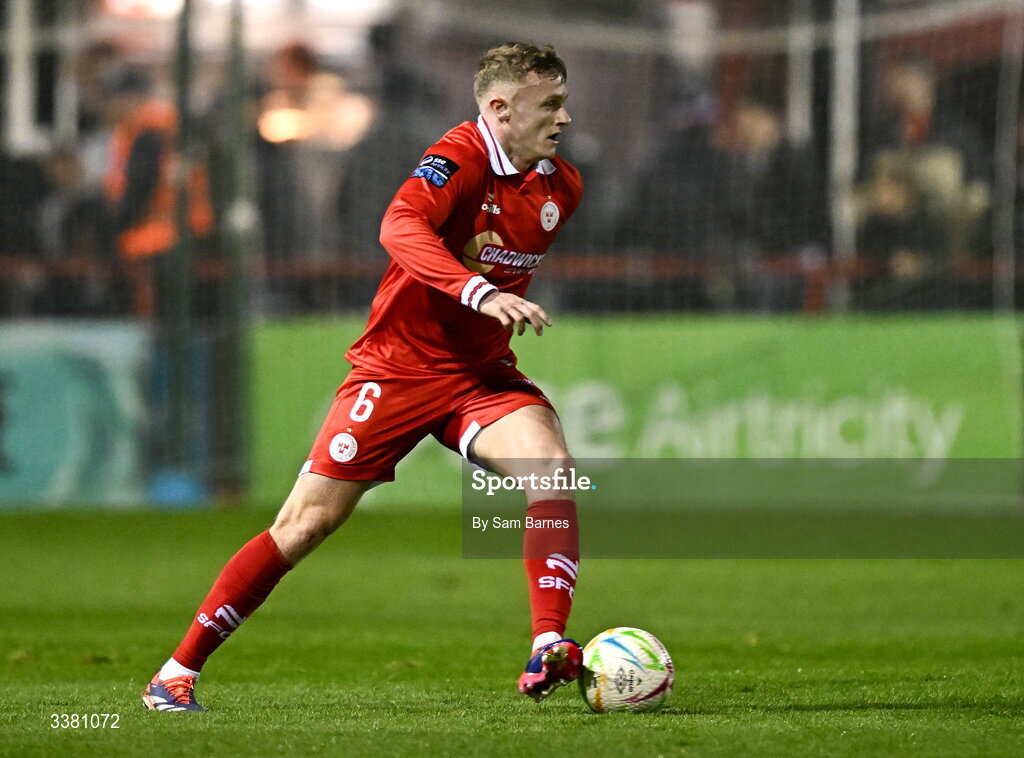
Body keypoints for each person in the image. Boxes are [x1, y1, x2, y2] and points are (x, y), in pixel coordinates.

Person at [142, 42, 584, 712]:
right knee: (305, 525)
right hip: (397, 369)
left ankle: (547, 644)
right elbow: (399, 224)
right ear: (500, 108)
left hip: (478, 375)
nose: (564, 117)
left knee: (552, 471)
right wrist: (479, 293)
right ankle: (175, 673)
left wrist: (485, 309)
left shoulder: (561, 188)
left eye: (562, 100)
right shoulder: (458, 157)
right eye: (548, 103)